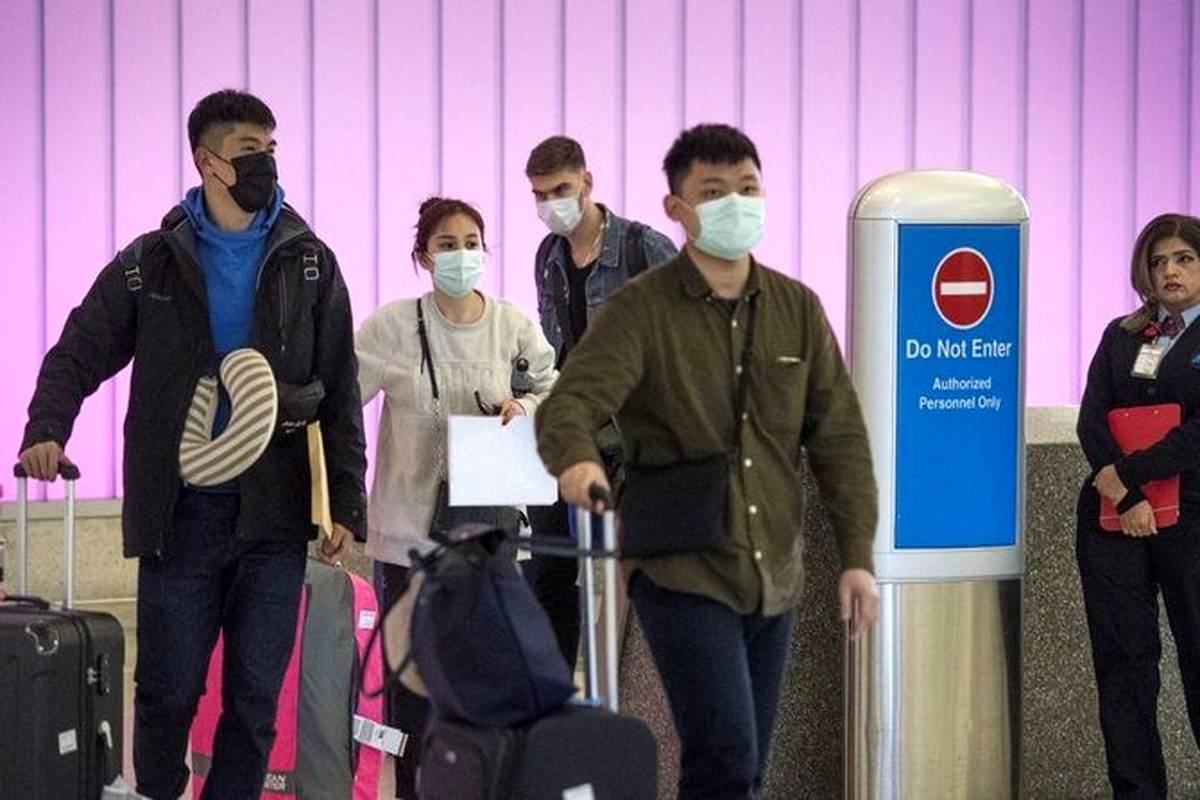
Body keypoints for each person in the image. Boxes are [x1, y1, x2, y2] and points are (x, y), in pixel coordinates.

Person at [17, 89, 367, 799]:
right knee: (167, 691)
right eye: (248, 151)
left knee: (254, 702)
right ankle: (157, 792)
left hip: (274, 515)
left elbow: (340, 387)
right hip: (181, 517)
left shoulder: (308, 263)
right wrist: (46, 428)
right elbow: (80, 349)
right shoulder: (151, 264)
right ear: (207, 162)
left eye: (271, 149)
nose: (266, 163)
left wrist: (346, 507)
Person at [536, 123, 881, 799]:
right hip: (681, 566)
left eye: (748, 188)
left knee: (741, 767)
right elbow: (568, 405)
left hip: (772, 570)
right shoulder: (641, 310)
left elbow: (839, 437)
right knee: (725, 752)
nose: (736, 204)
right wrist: (577, 463)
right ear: (677, 208)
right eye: (714, 192)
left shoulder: (796, 308)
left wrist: (857, 556)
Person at [356, 196, 557, 799]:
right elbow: (341, 402)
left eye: (472, 243)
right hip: (409, 536)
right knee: (414, 689)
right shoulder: (392, 326)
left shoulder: (512, 325)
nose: (461, 255)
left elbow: (556, 390)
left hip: (490, 536)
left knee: (487, 682)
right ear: (423, 256)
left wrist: (523, 407)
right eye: (447, 244)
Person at [524, 135, 677, 669]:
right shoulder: (548, 257)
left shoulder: (643, 248)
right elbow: (553, 351)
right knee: (549, 566)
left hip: (635, 437)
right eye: (540, 194)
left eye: (560, 190)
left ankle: (632, 693)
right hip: (571, 428)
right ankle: (556, 689)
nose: (550, 204)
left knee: (633, 575)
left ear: (587, 182)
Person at [1076, 213, 1200, 797]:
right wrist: (1125, 494)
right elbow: (1092, 420)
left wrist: (1127, 474)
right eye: (1158, 261)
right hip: (1114, 519)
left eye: (1184, 259)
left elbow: (1195, 435)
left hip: (1191, 515)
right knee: (1124, 665)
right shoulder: (1122, 335)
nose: (1170, 271)